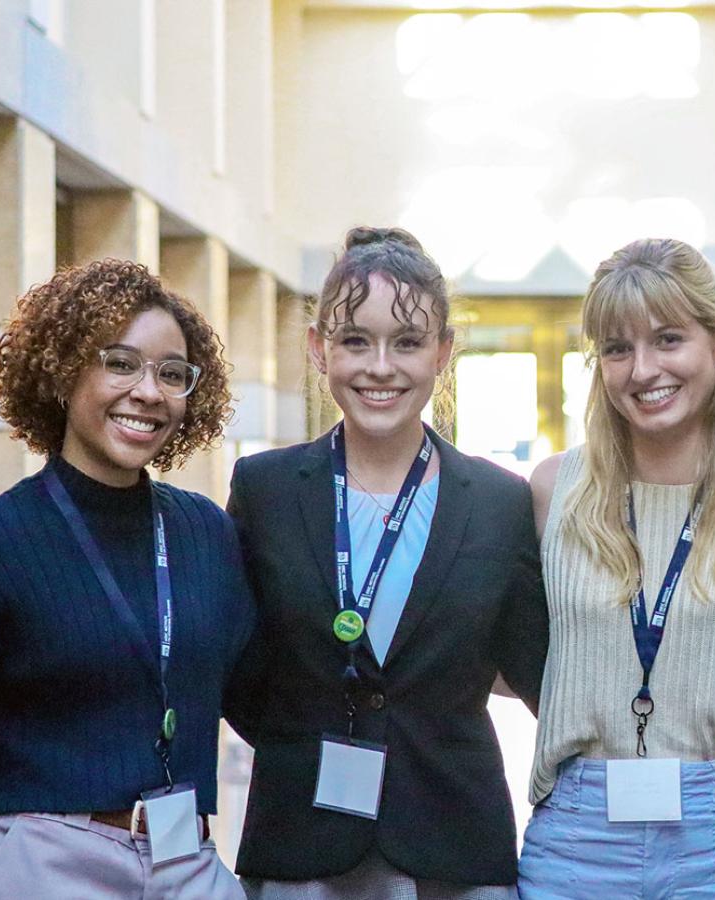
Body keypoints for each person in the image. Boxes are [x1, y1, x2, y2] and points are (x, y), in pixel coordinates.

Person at [0, 258, 253, 899]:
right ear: (64, 370)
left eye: (172, 373)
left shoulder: (205, 534)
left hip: (186, 861)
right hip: (47, 867)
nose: (148, 390)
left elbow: (264, 686)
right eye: (120, 363)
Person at [223, 226, 551, 898]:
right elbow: (238, 669)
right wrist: (307, 735)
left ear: (443, 354)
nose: (380, 366)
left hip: (453, 844)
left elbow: (542, 669)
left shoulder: (499, 502)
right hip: (300, 842)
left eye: (407, 342)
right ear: (319, 350)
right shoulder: (266, 490)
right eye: (354, 341)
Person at [520, 237, 715, 899]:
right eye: (617, 348)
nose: (642, 369)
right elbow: (512, 661)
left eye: (668, 339)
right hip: (578, 837)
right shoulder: (552, 492)